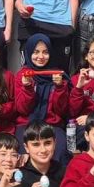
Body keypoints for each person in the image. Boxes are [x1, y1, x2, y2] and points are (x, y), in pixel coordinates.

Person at [14, 33, 69, 164]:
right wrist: (27, 88)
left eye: (45, 52)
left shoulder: (58, 75)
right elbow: (22, 109)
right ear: (28, 52)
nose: (40, 56)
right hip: (26, 124)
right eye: (36, 52)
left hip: (52, 124)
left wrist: (59, 87)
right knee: (24, 156)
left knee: (60, 152)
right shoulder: (22, 75)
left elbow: (61, 111)